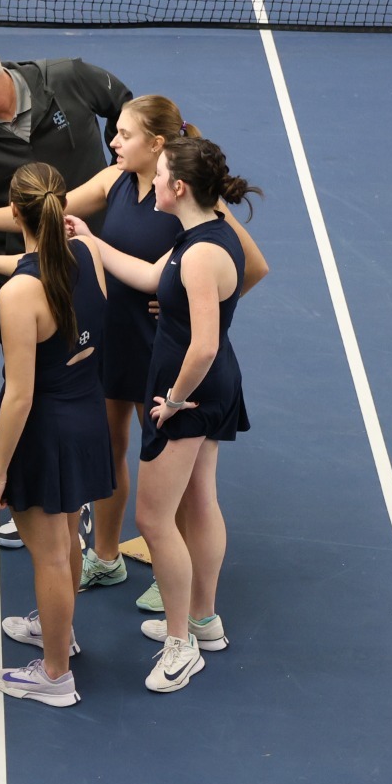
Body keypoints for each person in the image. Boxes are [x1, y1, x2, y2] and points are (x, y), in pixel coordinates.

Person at [0, 96, 199, 595]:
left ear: (157, 144)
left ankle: (181, 575)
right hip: (112, 331)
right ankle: (105, 555)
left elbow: (244, 265)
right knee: (112, 447)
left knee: (173, 467)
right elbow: (46, 215)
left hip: (165, 343)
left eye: (124, 135)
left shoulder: (187, 197)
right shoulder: (116, 181)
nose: (113, 142)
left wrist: (184, 306)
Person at [70, 138, 267, 693]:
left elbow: (202, 346)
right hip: (213, 386)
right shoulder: (200, 237)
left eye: (157, 176)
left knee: (156, 519)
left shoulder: (201, 255)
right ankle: (203, 622)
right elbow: (145, 275)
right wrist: (89, 240)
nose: (149, 183)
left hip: (193, 391)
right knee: (201, 499)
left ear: (177, 187)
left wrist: (175, 399)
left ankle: (180, 645)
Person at [0, 35, 134, 449]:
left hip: (96, 260)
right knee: (18, 374)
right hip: (21, 270)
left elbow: (126, 107)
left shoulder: (70, 78)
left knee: (97, 376)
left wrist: (116, 171)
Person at [0, 163, 112, 708]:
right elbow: (41, 267)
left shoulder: (18, 297)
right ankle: (61, 633)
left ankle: (55, 675)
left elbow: (19, 395)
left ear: (13, 212)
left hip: (45, 429)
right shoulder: (89, 252)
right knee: (67, 537)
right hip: (86, 416)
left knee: (48, 554)